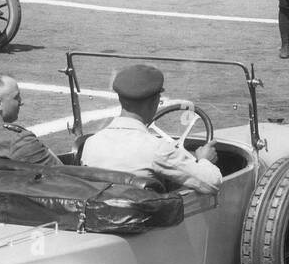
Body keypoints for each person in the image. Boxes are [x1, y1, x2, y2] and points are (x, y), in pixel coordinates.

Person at [80, 64, 222, 194]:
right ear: (155, 101)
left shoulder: (91, 144)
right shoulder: (158, 150)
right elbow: (212, 183)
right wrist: (205, 160)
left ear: (120, 99)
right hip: (151, 219)